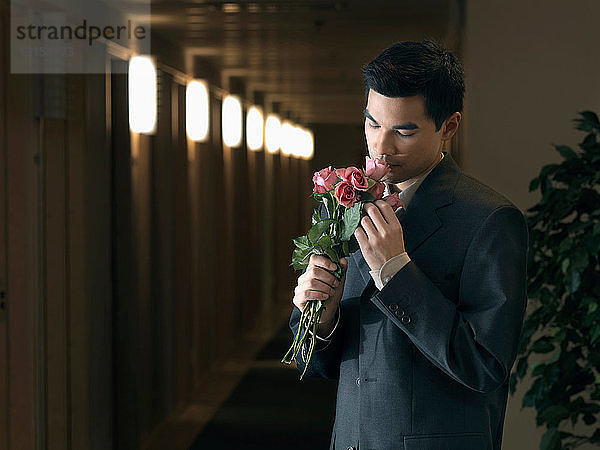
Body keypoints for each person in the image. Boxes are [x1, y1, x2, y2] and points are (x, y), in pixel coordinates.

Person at [289, 40, 529, 450]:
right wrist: (322, 319)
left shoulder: (490, 221)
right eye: (372, 123)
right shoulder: (345, 202)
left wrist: (397, 272)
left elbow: (486, 368)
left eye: (403, 131)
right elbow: (315, 364)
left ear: (449, 127)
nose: (381, 146)